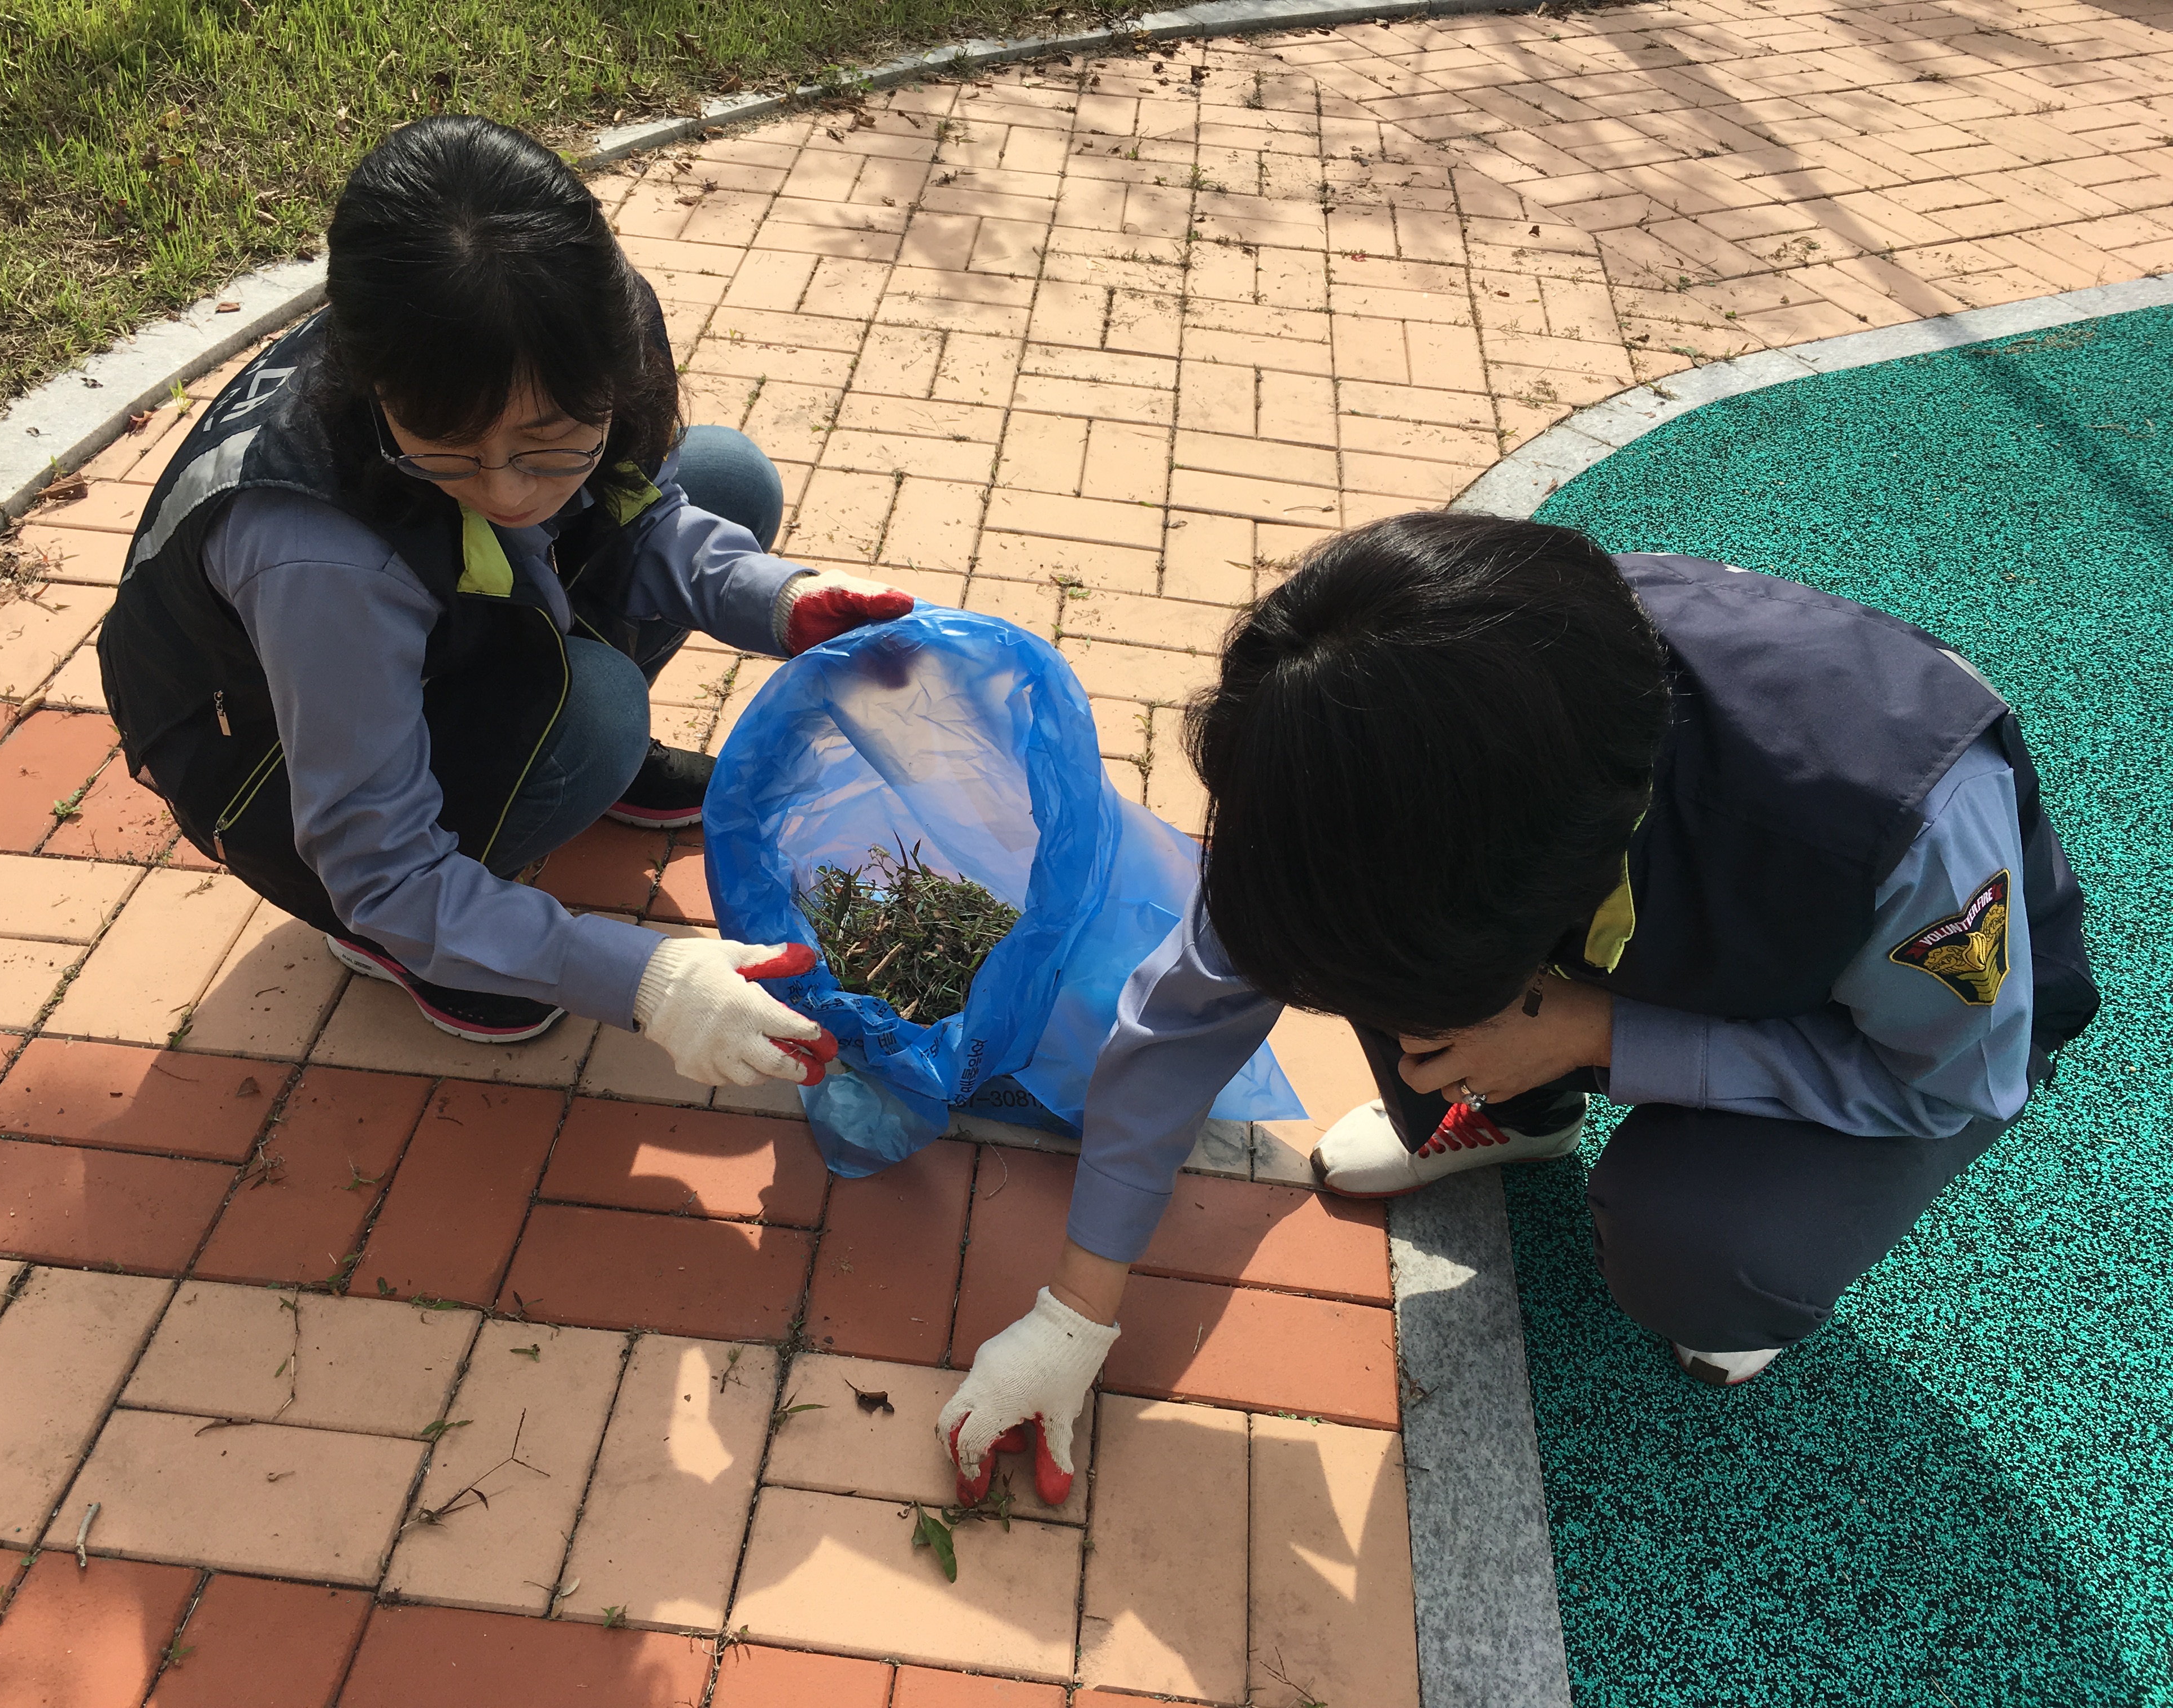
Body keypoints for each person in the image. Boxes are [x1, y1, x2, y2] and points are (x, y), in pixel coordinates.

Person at [941, 512, 2098, 1501]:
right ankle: (1525, 1113)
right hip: (1598, 924)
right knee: (1359, 938)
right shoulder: (1414, 703)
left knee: (1695, 1248)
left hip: (1903, 1020)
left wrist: (1607, 1032)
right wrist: (1073, 1312)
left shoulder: (1913, 834)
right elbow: (1192, 1003)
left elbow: (1946, 1082)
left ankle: (1729, 1258)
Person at [102, 116, 911, 1080]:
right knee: (597, 712)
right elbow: (383, 866)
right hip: (270, 766)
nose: (511, 491)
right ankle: (398, 943)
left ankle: (558, 772)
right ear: (374, 384)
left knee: (727, 478)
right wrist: (646, 980)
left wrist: (782, 601)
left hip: (413, 626)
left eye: (551, 442)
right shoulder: (320, 555)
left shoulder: (591, 327)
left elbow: (637, 511)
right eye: (448, 447)